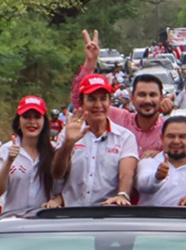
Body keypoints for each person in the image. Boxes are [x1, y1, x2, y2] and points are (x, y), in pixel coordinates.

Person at [71, 30, 173, 156]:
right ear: (131, 97)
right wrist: (90, 62)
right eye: (142, 95)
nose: (147, 100)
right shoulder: (119, 119)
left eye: (152, 95)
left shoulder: (169, 129)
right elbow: (81, 102)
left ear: (161, 98)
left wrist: (161, 155)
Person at [52, 74, 138, 208]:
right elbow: (57, 173)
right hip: (72, 215)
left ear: (110, 102)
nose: (98, 105)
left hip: (108, 214)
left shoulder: (125, 137)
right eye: (91, 99)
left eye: (103, 99)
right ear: (82, 103)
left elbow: (126, 174)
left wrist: (122, 195)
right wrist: (67, 145)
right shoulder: (69, 133)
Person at [0, 96, 58, 214]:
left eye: (37, 117)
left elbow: (65, 188)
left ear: (44, 121)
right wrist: (9, 162)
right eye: (26, 117)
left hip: (45, 223)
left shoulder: (54, 150)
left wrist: (55, 201)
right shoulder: (5, 150)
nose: (32, 122)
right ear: (18, 121)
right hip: (13, 223)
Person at [136, 117, 186, 208]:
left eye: (182, 136)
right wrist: (157, 177)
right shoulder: (147, 163)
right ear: (162, 138)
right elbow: (143, 186)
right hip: (151, 221)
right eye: (171, 136)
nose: (176, 141)